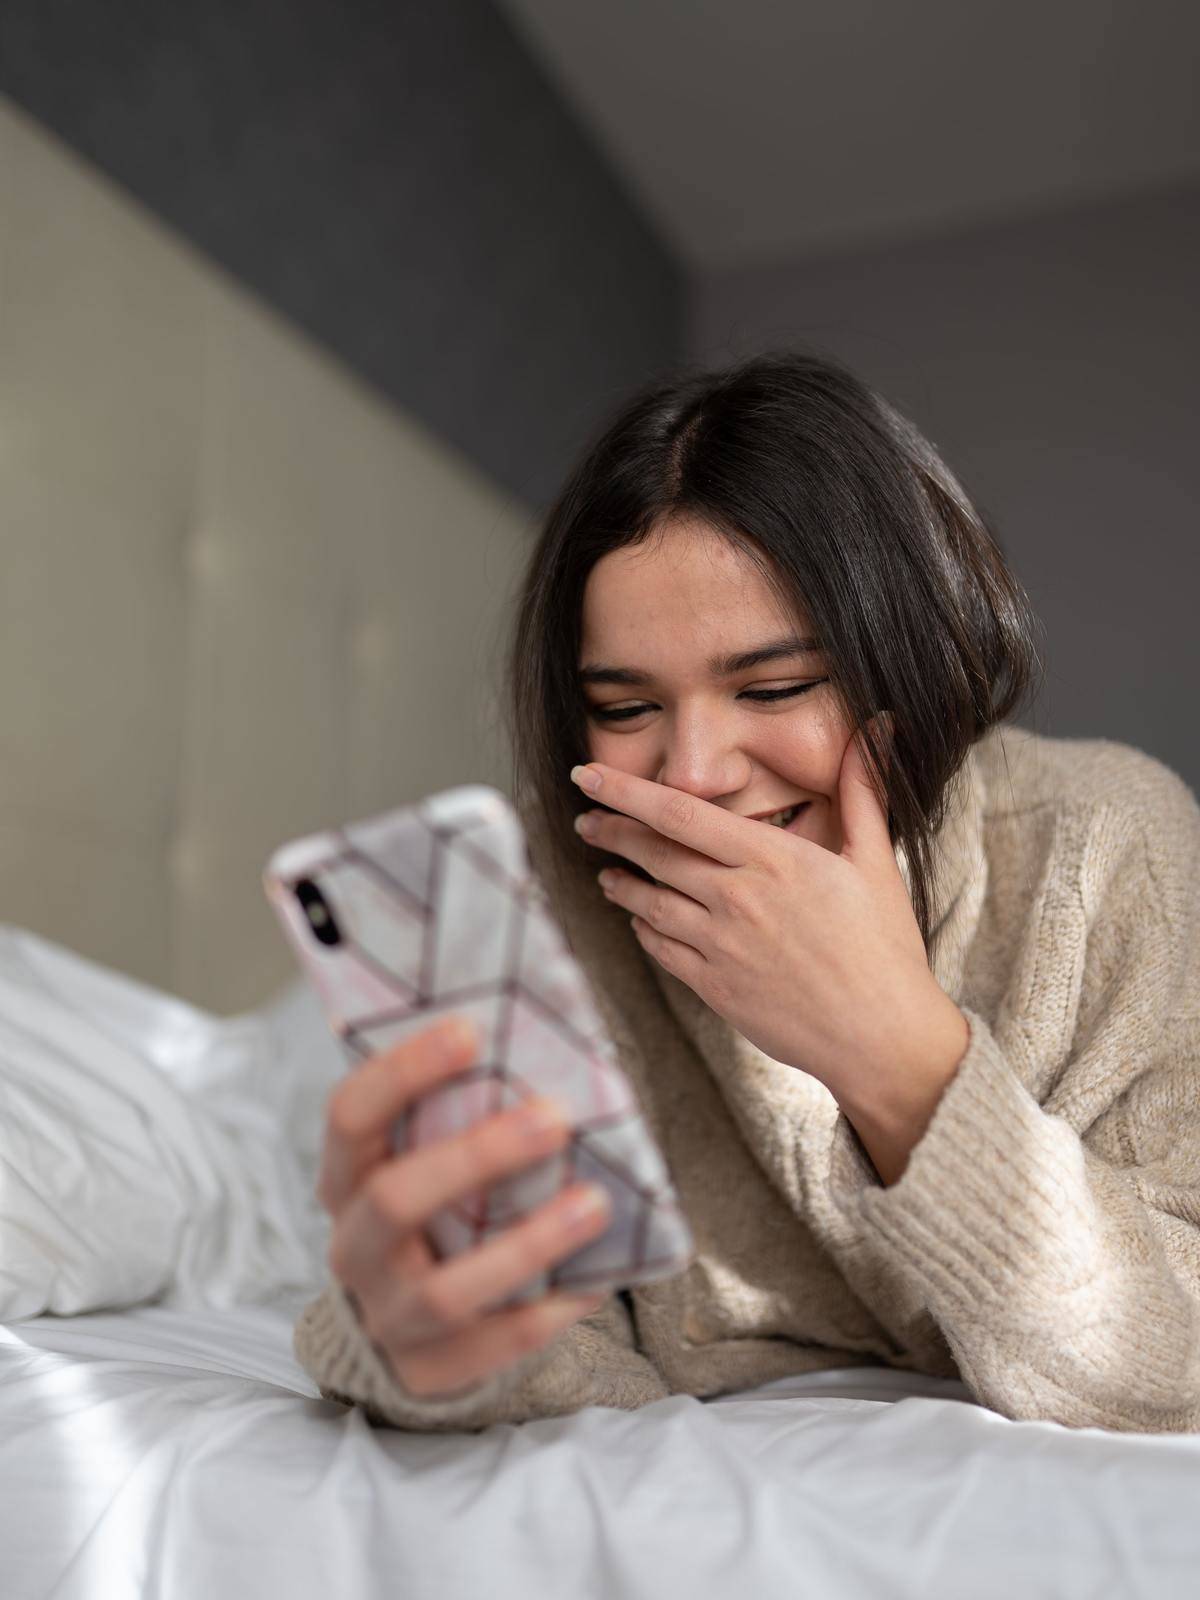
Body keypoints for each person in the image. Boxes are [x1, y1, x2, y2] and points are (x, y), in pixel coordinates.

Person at [293, 350, 1200, 1433]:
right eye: (625, 708)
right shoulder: (556, 899)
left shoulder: (1106, 848)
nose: (691, 775)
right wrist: (419, 1332)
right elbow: (549, 1351)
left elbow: (1174, 1354)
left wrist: (900, 1057)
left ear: (914, 661)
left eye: (771, 686)